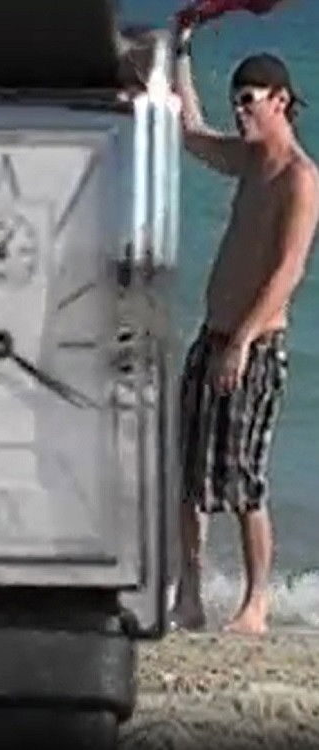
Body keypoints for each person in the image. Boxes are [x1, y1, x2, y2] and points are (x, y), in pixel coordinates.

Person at [172, 24, 319, 634]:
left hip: (254, 348)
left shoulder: (298, 178)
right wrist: (181, 48)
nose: (239, 112)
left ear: (280, 101)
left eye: (249, 101)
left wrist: (241, 341)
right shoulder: (249, 161)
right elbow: (190, 134)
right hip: (212, 338)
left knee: (243, 482)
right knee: (189, 477)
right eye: (236, 102)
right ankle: (189, 596)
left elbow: (289, 270)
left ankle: (256, 606)